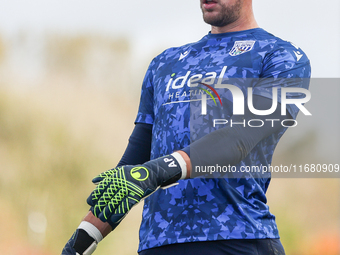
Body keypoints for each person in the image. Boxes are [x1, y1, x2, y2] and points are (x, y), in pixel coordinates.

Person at [62, 0, 311, 254]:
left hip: (238, 238)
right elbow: (131, 170)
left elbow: (239, 138)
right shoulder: (164, 63)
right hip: (158, 243)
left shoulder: (282, 57)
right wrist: (79, 244)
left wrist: (155, 172)